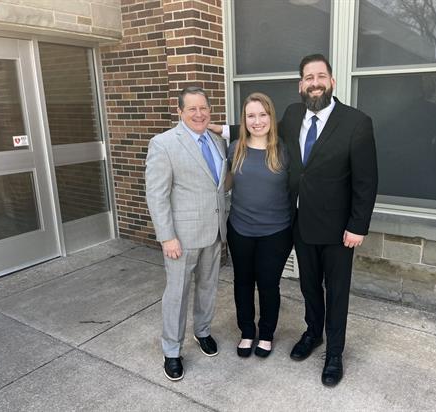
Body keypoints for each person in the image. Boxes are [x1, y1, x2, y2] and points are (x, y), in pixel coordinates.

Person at [213, 54, 378, 387]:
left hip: (338, 229)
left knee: (337, 291)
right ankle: (313, 333)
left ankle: (334, 354)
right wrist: (212, 127)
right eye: (308, 77)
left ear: (331, 81)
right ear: (301, 85)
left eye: (320, 76)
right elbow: (257, 130)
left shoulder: (356, 122)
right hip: (299, 224)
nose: (314, 83)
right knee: (308, 286)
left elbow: (366, 180)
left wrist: (358, 226)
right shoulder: (291, 115)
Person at [145, 86, 227, 382]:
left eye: (203, 107)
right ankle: (172, 350)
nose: (199, 113)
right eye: (191, 108)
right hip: (181, 237)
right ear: (179, 112)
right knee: (177, 295)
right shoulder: (164, 143)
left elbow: (217, 185)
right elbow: (156, 194)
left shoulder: (217, 141)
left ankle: (202, 331)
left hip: (215, 232)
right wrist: (167, 237)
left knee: (208, 288)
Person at [226, 93, 293, 359]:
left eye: (262, 114)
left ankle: (265, 334)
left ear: (271, 117)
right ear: (244, 120)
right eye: (251, 115)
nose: (257, 121)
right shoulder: (235, 149)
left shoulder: (284, 151)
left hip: (275, 232)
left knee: (268, 285)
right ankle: (246, 332)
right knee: (242, 283)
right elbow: (227, 184)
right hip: (240, 229)